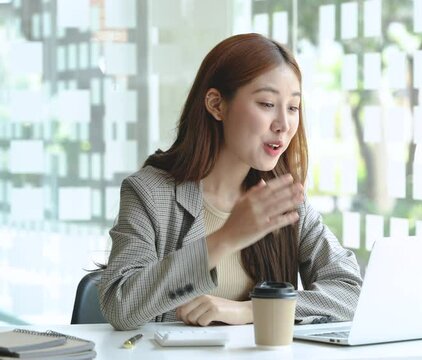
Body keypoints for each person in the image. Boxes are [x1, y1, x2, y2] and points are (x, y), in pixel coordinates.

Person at [98, 33, 363, 331]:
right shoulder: (150, 192)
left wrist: (253, 310)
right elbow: (120, 305)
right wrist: (226, 238)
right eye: (266, 103)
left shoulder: (282, 198)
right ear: (216, 105)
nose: (284, 125)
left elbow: (352, 292)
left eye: (292, 107)